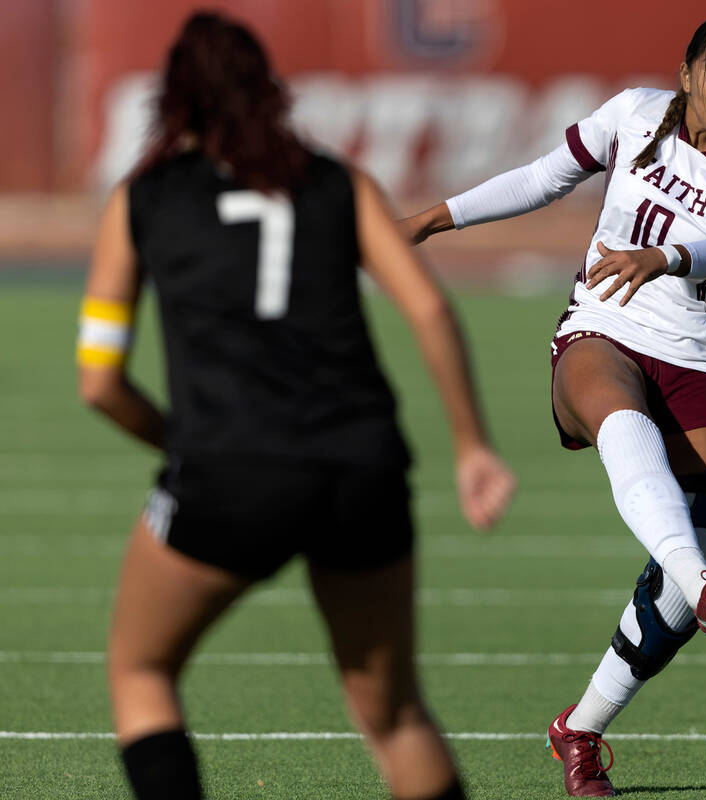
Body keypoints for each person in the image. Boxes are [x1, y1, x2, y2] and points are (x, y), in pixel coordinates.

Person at [76, 12, 516, 800]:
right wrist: (472, 445)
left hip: (226, 471)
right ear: (268, 91)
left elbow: (100, 383)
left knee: (140, 670)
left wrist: (181, 443)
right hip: (362, 468)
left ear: (174, 99)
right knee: (395, 715)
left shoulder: (141, 199)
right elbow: (429, 309)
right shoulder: (337, 183)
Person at [403, 12, 706, 797]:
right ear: (687, 73)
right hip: (601, 329)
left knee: (688, 570)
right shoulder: (633, 113)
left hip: (696, 362)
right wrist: (433, 218)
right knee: (624, 428)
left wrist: (665, 257)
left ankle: (580, 729)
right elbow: (544, 176)